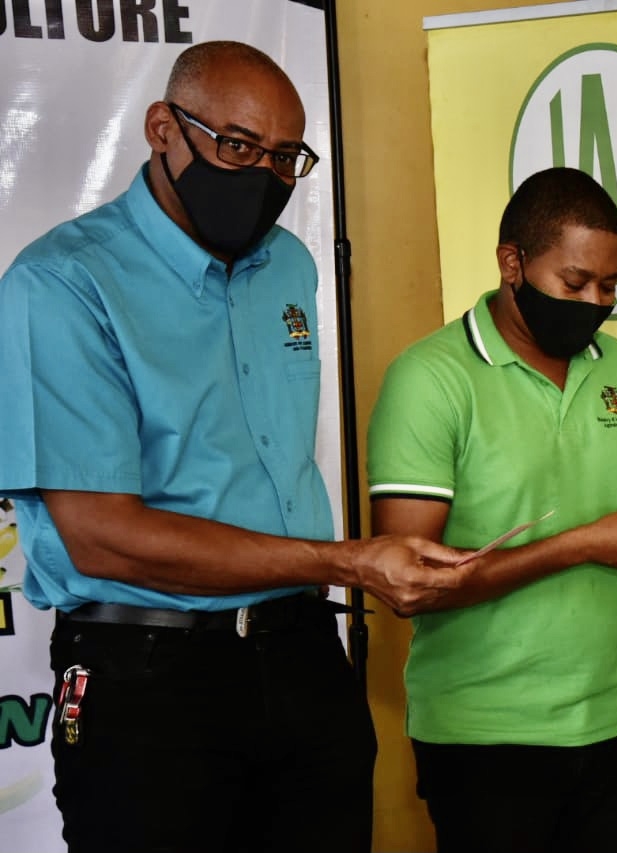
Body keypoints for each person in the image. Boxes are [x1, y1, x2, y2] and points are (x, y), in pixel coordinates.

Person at [0, 41, 470, 853]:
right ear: (163, 129)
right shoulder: (64, 283)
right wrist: (346, 562)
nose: (264, 176)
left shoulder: (289, 264)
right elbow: (103, 536)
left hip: (304, 658)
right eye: (238, 147)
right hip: (149, 675)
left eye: (285, 158)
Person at [366, 166, 617, 853]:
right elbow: (408, 584)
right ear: (513, 263)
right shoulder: (430, 379)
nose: (595, 302)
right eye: (575, 282)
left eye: (609, 287)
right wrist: (579, 544)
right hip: (483, 735)